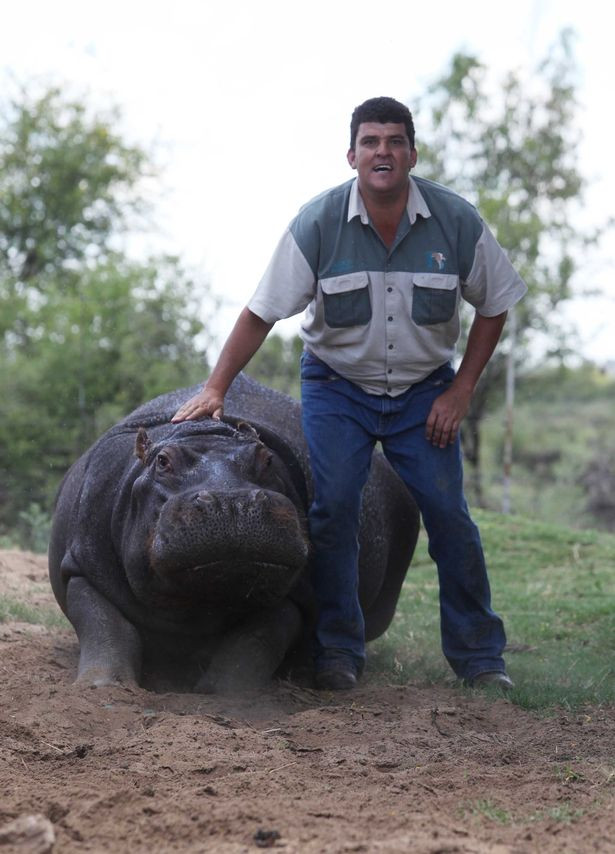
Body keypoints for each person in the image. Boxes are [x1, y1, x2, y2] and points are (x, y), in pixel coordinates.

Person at [172, 96, 527, 692]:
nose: (382, 152)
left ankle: (480, 659)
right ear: (352, 155)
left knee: (450, 519)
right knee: (333, 512)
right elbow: (262, 312)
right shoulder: (317, 223)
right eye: (370, 142)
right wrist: (216, 387)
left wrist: (461, 390)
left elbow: (495, 305)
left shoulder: (456, 221)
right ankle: (337, 652)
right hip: (338, 389)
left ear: (412, 153)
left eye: (394, 141)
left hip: (425, 394)